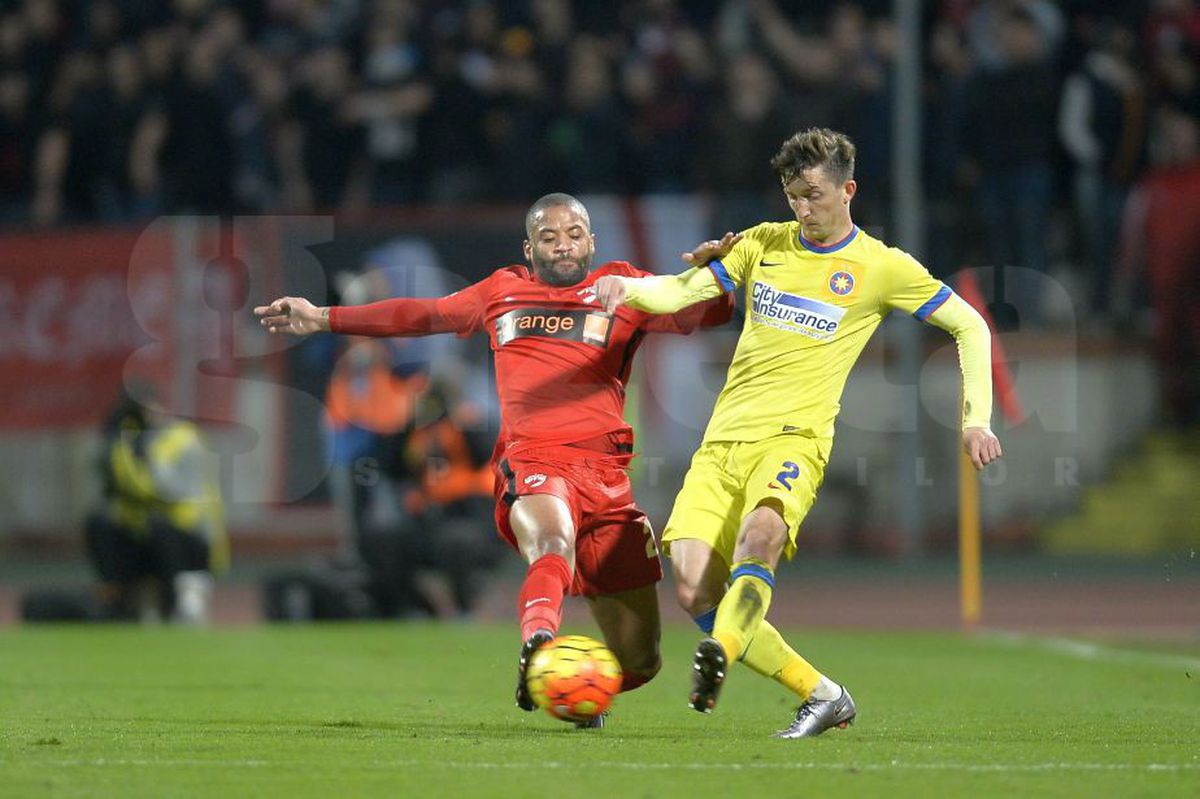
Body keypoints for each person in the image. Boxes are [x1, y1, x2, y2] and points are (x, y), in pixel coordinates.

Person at [255, 193, 732, 725]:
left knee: (641, 662)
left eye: (573, 234)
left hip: (607, 477)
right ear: (530, 249)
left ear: (591, 242)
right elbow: (421, 315)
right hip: (534, 460)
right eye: (548, 237)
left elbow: (705, 313)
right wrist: (322, 316)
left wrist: (717, 270)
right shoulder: (503, 290)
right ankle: (539, 643)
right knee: (552, 543)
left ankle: (569, 686)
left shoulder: (624, 286)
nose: (563, 245)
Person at [595, 128, 1002, 738]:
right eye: (793, 197)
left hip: (795, 440)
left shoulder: (881, 266)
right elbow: (681, 291)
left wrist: (976, 419)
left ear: (848, 189)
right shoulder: (762, 244)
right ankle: (824, 695)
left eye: (813, 194)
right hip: (723, 442)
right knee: (690, 587)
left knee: (760, 537)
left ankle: (720, 656)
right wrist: (623, 287)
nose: (803, 209)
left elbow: (970, 326)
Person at [85, 385, 228, 624]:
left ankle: (175, 602)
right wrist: (116, 446)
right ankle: (117, 598)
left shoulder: (183, 438)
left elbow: (168, 492)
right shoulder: (126, 441)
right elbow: (117, 492)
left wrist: (143, 456)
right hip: (146, 538)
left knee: (160, 528)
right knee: (100, 525)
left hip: (191, 539)